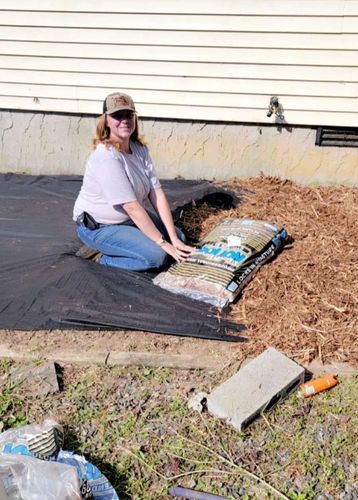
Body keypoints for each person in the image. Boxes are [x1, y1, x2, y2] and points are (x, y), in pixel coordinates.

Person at [73, 91, 195, 271]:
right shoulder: (106, 156)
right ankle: (102, 256)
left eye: (128, 114)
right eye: (117, 115)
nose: (124, 120)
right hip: (100, 227)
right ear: (106, 120)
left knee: (180, 238)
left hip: (128, 221)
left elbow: (156, 193)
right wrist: (163, 243)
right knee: (156, 257)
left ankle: (132, 243)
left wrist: (173, 239)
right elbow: (131, 206)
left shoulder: (139, 149)